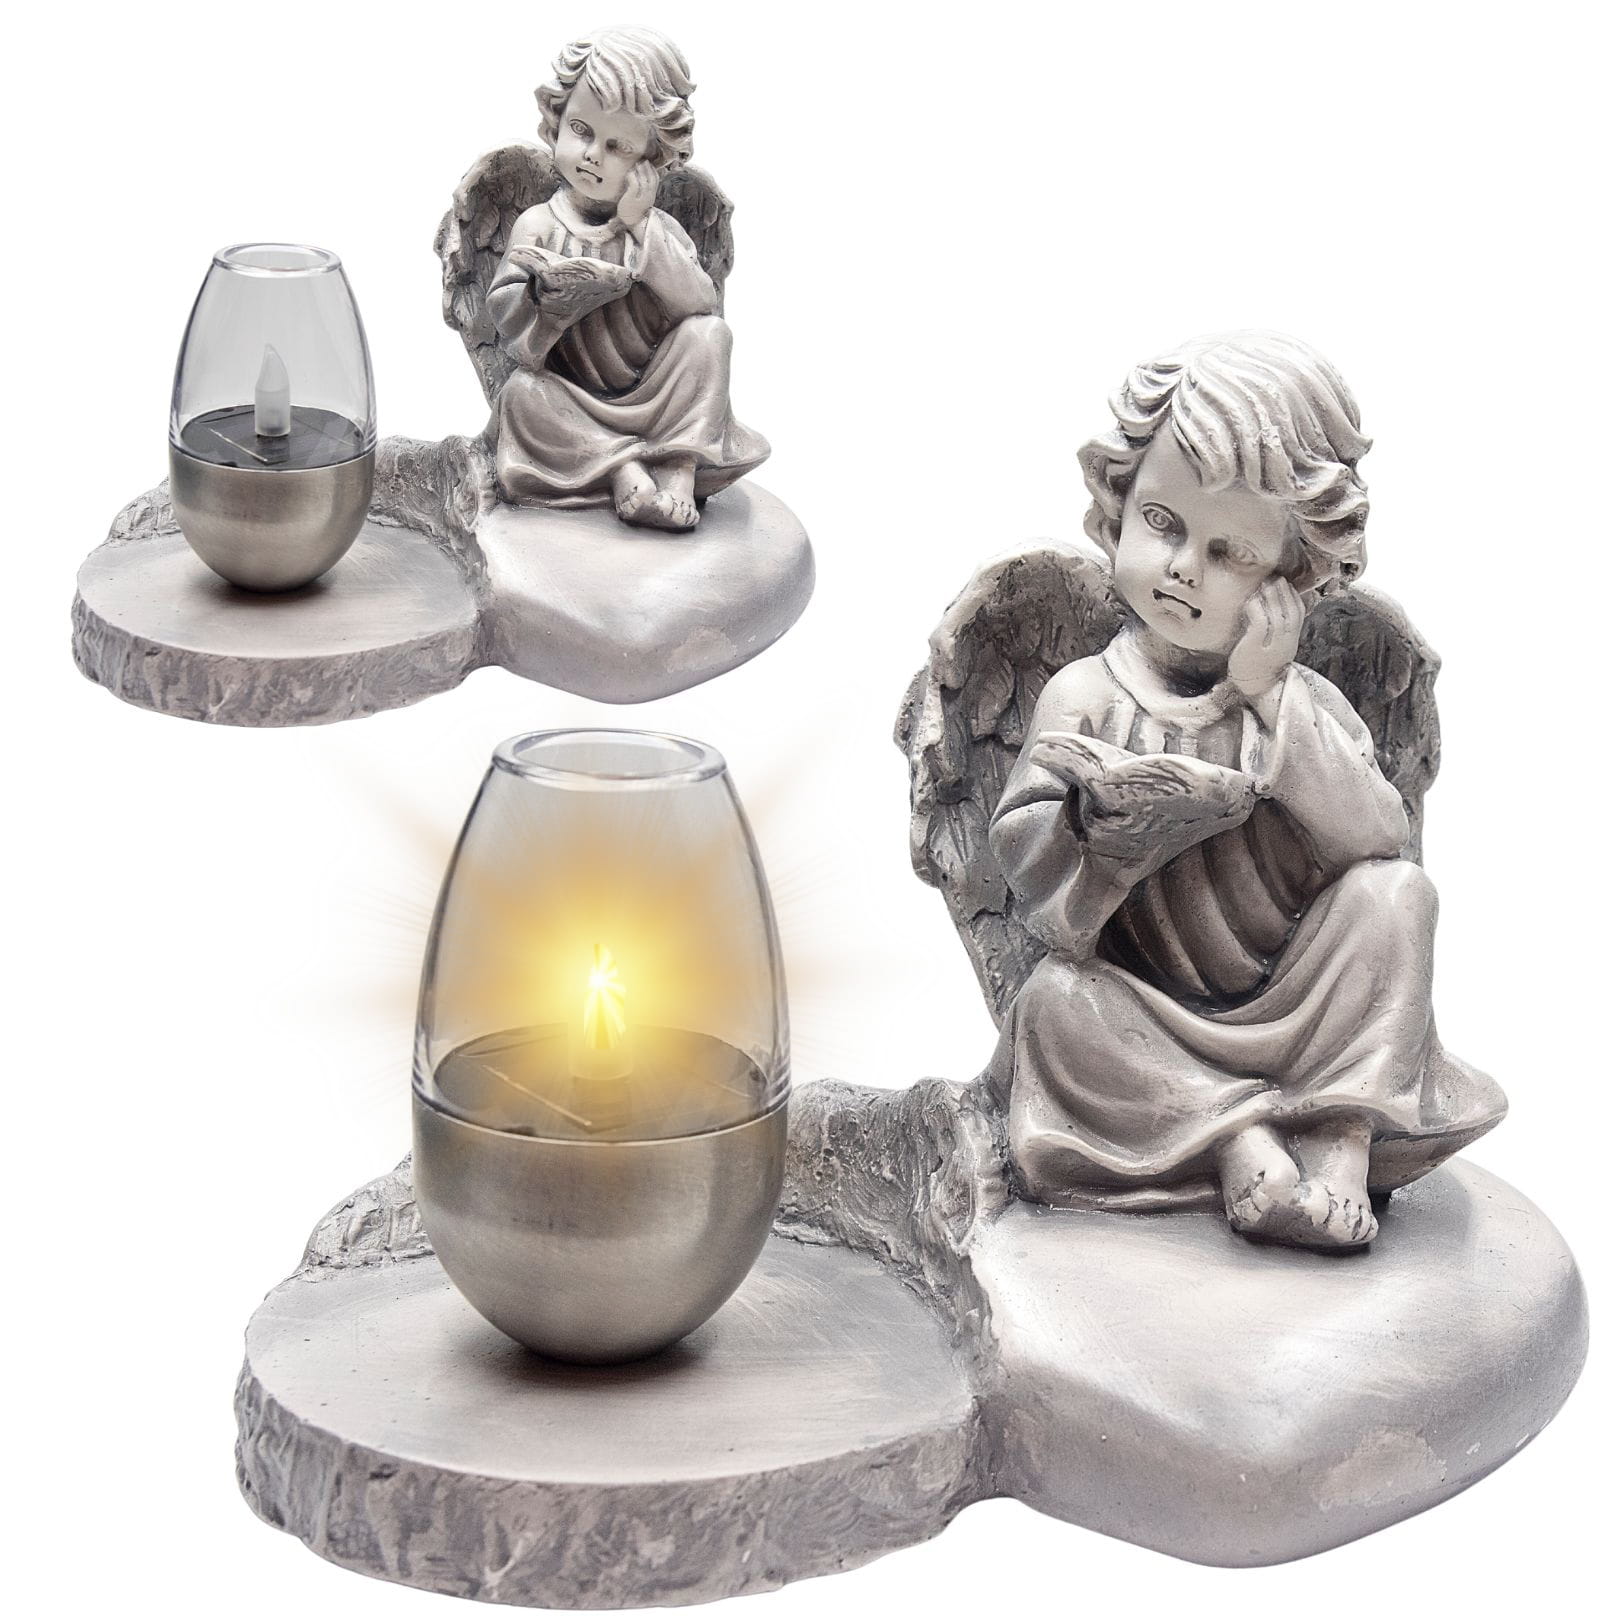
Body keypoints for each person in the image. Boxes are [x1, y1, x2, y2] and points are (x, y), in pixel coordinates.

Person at [988, 333, 1504, 1249]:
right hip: (1151, 1020)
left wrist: (1270, 696)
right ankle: (1239, 1141)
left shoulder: (1304, 703)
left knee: (1399, 897)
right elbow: (1039, 898)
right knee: (1053, 1004)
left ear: (1291, 580)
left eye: (1229, 552)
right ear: (1115, 508)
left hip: (1299, 1009)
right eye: (1162, 521)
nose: (1184, 565)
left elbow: (1374, 840)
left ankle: (1340, 1139)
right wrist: (1102, 844)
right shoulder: (1084, 696)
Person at [485, 26, 768, 530]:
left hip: (655, 397)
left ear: (651, 162)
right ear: (555, 121)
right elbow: (513, 336)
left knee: (711, 335)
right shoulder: (538, 225)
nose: (592, 153)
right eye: (580, 129)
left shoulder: (659, 229)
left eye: (618, 146)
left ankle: (678, 469)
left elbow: (697, 304)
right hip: (574, 403)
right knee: (521, 394)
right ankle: (623, 470)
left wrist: (640, 225)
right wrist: (547, 306)